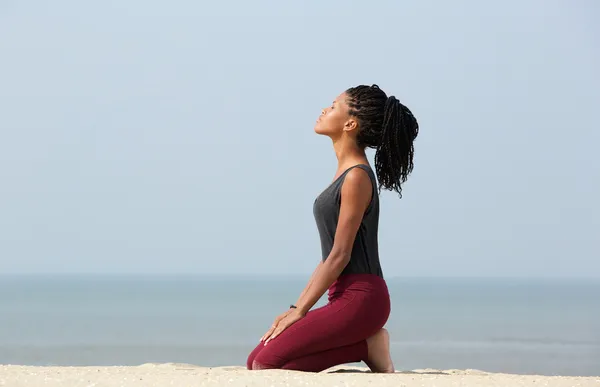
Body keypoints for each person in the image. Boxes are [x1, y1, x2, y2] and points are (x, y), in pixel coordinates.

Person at [246, 84, 419, 373]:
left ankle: (368, 345)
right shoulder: (345, 174)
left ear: (350, 124)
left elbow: (339, 254)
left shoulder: (357, 178)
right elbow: (329, 257)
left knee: (266, 364)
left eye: (334, 106)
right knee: (256, 361)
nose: (325, 109)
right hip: (342, 295)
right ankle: (366, 345)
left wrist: (300, 311)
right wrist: (295, 306)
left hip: (363, 298)